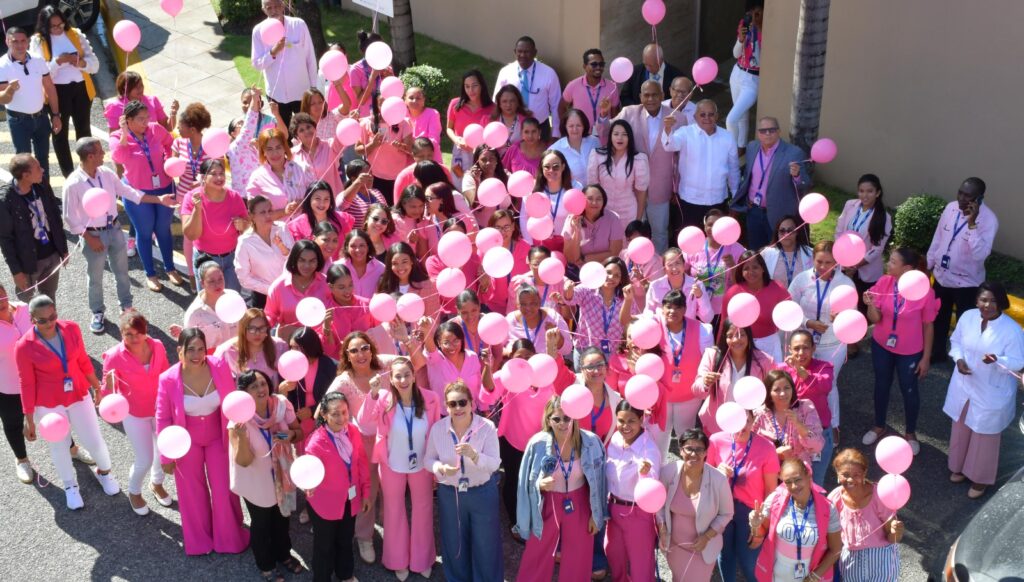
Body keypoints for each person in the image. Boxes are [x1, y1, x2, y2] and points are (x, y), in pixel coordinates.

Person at [328, 331, 426, 562]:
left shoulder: (385, 364)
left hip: (393, 437)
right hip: (363, 444)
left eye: (364, 348)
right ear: (347, 355)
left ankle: (393, 535)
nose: (361, 353)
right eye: (354, 350)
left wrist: (407, 338)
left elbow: (419, 362)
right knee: (368, 490)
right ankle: (364, 537)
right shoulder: (344, 380)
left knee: (393, 489)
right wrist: (342, 428)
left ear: (371, 349)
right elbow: (323, 410)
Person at [16, 295, 119, 509]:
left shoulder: (71, 328)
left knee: (94, 440)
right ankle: (70, 486)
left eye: (52, 316)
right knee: (59, 446)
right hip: (49, 403)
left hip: (77, 393)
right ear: (32, 319)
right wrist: (29, 420)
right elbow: (26, 383)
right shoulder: (24, 346)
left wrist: (98, 388)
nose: (49, 323)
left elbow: (82, 360)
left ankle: (105, 473)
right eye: (42, 320)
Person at [64, 138, 174, 332]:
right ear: (90, 156)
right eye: (99, 152)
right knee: (95, 277)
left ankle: (126, 306)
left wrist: (158, 199)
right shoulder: (73, 184)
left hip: (114, 230)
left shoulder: (106, 174)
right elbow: (70, 217)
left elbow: (128, 192)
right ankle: (97, 312)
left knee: (122, 272)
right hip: (93, 235)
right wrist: (90, 239)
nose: (103, 154)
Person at [156, 328, 249, 555]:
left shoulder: (218, 365)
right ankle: (200, 542)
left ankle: (229, 539)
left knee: (222, 489)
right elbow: (163, 418)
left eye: (200, 349)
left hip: (218, 437)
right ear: (180, 351)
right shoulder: (167, 379)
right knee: (191, 492)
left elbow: (231, 401)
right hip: (185, 442)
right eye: (191, 350)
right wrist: (166, 456)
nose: (197, 355)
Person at [479, 331, 574, 532]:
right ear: (511, 359)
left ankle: (540, 520)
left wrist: (552, 351)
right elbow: (488, 392)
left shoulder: (546, 376)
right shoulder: (508, 375)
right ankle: (517, 523)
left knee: (542, 482)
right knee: (514, 481)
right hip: (512, 441)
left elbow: (563, 388)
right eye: (518, 357)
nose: (523, 361)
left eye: (528, 357)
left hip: (543, 442)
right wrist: (487, 366)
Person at [358, 357, 440, 579]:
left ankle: (422, 559)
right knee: (394, 511)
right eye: (398, 376)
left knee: (423, 510)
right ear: (391, 380)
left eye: (407, 374)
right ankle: (397, 559)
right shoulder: (384, 398)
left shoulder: (431, 399)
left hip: (422, 464)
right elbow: (363, 419)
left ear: (414, 375)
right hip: (392, 463)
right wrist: (372, 394)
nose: (403, 380)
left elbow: (436, 432)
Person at [943, 282, 1024, 498]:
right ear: (977, 300)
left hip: (991, 391)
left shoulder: (1012, 330)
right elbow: (956, 341)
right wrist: (958, 359)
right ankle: (958, 466)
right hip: (964, 384)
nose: (987, 305)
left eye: (993, 301)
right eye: (983, 300)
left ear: (1001, 303)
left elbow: (1018, 361)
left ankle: (980, 479)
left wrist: (998, 359)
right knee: (961, 426)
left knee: (984, 435)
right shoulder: (968, 317)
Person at [516, 394, 607, 582]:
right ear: (548, 420)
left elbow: (600, 482)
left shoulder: (591, 441)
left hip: (580, 502)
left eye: (567, 418)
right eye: (556, 418)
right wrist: (539, 485)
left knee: (579, 556)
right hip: (547, 502)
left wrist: (595, 515)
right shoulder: (537, 443)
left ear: (575, 417)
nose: (562, 423)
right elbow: (523, 482)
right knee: (537, 552)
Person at [228, 370, 305, 581]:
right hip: (255, 482)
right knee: (261, 525)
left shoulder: (280, 405)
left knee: (282, 519)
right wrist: (242, 437)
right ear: (244, 393)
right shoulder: (238, 420)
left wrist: (289, 435)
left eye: (262, 383)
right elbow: (243, 461)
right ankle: (266, 564)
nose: (261, 389)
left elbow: (299, 433)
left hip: (281, 476)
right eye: (253, 387)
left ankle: (283, 554)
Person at [424, 380, 504, 581]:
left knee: (486, 544)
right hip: (450, 493)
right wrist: (439, 468)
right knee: (455, 543)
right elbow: (428, 459)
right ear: (446, 406)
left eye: (462, 402)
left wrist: (475, 456)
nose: (458, 408)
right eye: (452, 404)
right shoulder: (438, 429)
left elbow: (495, 464)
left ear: (471, 404)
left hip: (482, 492)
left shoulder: (487, 427)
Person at [862, 247, 938, 454]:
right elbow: (875, 319)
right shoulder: (884, 282)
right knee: (881, 385)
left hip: (910, 351)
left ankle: (910, 433)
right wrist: (870, 304)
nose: (888, 264)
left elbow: (928, 325)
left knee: (909, 390)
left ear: (908, 268)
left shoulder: (925, 291)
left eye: (893, 262)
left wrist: (926, 358)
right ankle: (879, 426)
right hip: (881, 345)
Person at [100, 311, 172, 515]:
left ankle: (156, 483)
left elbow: (166, 375)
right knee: (145, 459)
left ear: (145, 330)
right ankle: (134, 491)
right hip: (135, 413)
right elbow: (106, 392)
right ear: (121, 334)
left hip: (159, 409)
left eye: (137, 333)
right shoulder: (113, 356)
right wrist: (109, 385)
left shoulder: (157, 345)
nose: (134, 338)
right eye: (128, 334)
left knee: (163, 450)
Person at [110, 100, 184, 291]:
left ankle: (170, 268)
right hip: (138, 193)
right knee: (144, 232)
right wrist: (125, 135)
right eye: (140, 119)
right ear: (128, 121)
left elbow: (170, 144)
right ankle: (150, 274)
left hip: (165, 186)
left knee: (163, 229)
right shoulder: (117, 137)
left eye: (147, 118)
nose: (146, 122)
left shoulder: (155, 129)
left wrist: (169, 161)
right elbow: (119, 157)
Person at [926, 177, 998, 363]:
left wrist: (972, 224)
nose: (961, 198)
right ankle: (937, 352)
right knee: (939, 318)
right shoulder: (950, 208)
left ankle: (962, 359)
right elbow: (938, 237)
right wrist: (929, 264)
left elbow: (980, 255)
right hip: (942, 277)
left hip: (967, 283)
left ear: (979, 198)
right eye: (960, 192)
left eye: (968, 196)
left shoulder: (989, 220)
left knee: (965, 324)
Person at [304, 391, 372, 582]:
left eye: (344, 412)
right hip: (325, 504)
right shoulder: (315, 442)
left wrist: (366, 492)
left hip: (350, 499)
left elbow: (361, 464)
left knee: (345, 540)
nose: (341, 418)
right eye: (335, 414)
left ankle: (345, 574)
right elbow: (308, 471)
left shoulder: (353, 431)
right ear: (324, 415)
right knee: (324, 546)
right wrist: (308, 486)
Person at [603, 80, 676, 252]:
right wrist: (603, 115)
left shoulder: (677, 117)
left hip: (661, 187)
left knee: (660, 233)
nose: (650, 98)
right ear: (640, 96)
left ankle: (658, 269)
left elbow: (680, 158)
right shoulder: (629, 112)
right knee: (633, 232)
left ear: (662, 95)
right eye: (646, 95)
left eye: (655, 94)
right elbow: (608, 133)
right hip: (632, 189)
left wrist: (676, 187)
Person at [787, 241, 855, 425]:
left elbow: (853, 317)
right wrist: (807, 322)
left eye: (829, 262)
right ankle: (798, 422)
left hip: (832, 344)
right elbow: (788, 309)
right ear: (813, 259)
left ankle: (832, 425)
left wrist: (841, 318)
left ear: (837, 262)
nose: (823, 267)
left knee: (827, 386)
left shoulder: (846, 283)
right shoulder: (801, 279)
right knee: (800, 381)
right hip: (803, 344)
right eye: (819, 262)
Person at [707, 413, 779, 582]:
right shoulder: (716, 441)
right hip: (722, 508)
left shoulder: (766, 447)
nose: (742, 426)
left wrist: (762, 526)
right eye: (737, 421)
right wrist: (717, 473)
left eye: (747, 421)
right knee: (725, 556)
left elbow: (771, 491)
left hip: (751, 513)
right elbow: (704, 478)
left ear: (753, 420)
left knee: (749, 562)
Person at [658, 428, 735, 582]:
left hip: (703, 549)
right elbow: (659, 504)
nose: (693, 454)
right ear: (680, 450)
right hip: (675, 547)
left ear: (706, 452)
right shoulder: (668, 472)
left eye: (699, 449)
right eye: (689, 449)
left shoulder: (718, 479)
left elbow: (727, 513)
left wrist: (707, 537)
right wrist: (662, 528)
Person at [29, 6, 98, 178]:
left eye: (61, 24)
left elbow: (94, 64)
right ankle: (70, 176)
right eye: (54, 26)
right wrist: (57, 62)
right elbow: (39, 73)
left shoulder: (75, 34)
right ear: (45, 26)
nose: (59, 29)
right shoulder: (38, 41)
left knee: (84, 131)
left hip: (81, 89)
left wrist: (80, 62)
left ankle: (89, 172)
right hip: (57, 93)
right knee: (60, 134)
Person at [748, 458, 842, 582]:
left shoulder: (828, 508)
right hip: (776, 576)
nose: (794, 486)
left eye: (798, 479)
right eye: (788, 482)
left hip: (810, 576)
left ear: (808, 476)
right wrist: (754, 526)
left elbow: (836, 549)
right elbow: (756, 541)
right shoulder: (774, 500)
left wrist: (814, 577)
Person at [731, 117, 810, 249]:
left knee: (778, 253)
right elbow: (747, 176)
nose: (767, 133)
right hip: (754, 211)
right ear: (758, 133)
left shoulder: (793, 153)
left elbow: (805, 184)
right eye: (763, 130)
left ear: (778, 131)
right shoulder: (752, 147)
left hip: (779, 214)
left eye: (771, 130)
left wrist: (797, 175)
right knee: (756, 252)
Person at [605, 400, 662, 582]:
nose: (625, 426)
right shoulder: (614, 439)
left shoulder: (649, 449)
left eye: (631, 421)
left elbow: (654, 485)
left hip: (638, 513)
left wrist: (646, 474)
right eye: (621, 421)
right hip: (613, 509)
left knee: (641, 566)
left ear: (641, 420)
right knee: (614, 555)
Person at [662, 100, 740, 231]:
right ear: (695, 116)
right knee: (690, 242)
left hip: (718, 200)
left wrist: (735, 197)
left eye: (711, 114)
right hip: (690, 200)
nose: (707, 118)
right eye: (702, 114)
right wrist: (668, 129)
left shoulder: (727, 137)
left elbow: (734, 169)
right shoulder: (685, 133)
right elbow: (669, 145)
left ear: (717, 116)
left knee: (716, 240)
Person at [827, 449, 904, 581]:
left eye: (856, 474)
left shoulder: (879, 495)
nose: (850, 479)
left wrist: (897, 531)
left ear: (864, 473)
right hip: (850, 559)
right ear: (837, 475)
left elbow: (893, 539)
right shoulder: (834, 498)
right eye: (845, 474)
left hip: (881, 558)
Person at [0, 154, 68, 302]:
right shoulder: (6, 200)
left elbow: (55, 216)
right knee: (26, 304)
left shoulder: (42, 184)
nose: (42, 170)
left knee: (49, 299)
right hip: (28, 263)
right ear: (25, 175)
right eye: (37, 168)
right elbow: (5, 240)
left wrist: (63, 248)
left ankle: (49, 324)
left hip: (52, 255)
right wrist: (16, 272)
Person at [654, 289, 715, 453]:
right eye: (668, 307)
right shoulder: (653, 327)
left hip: (688, 396)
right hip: (662, 396)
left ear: (685, 309)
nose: (672, 311)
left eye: (677, 307)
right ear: (663, 308)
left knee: (685, 438)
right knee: (659, 439)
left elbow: (708, 362)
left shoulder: (702, 330)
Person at [0, 27, 61, 179]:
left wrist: (55, 115)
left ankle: (45, 196)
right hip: (19, 121)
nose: (20, 45)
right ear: (7, 42)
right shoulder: (2, 65)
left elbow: (50, 88)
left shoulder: (38, 60)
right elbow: (3, 99)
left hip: (41, 117)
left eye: (23, 41)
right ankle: (27, 200)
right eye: (15, 41)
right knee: (23, 164)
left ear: (27, 42)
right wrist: (10, 90)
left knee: (43, 159)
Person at [693, 319, 774, 434]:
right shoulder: (712, 355)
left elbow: (772, 391)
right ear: (724, 338)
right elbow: (697, 391)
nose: (736, 339)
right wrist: (705, 383)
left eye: (742, 334)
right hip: (717, 423)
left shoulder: (764, 360)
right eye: (730, 335)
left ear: (749, 336)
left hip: (750, 424)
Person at [182, 159, 250, 292]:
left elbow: (249, 226)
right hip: (206, 260)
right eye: (214, 174)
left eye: (222, 173)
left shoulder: (234, 197)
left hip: (232, 258)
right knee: (209, 304)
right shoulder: (192, 197)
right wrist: (197, 209)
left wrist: (243, 225)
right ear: (203, 177)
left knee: (232, 297)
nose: (219, 177)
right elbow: (191, 235)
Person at [778, 331, 835, 486]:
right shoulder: (781, 369)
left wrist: (799, 369)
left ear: (814, 348)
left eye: (805, 348)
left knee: (815, 483)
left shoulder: (824, 367)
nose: (801, 353)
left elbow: (825, 387)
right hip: (790, 437)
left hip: (818, 435)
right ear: (789, 349)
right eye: (796, 348)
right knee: (791, 483)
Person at [250, 0, 317, 127]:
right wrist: (273, 52)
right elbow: (256, 64)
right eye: (269, 8)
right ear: (263, 9)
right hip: (277, 94)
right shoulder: (258, 31)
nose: (274, 10)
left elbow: (310, 58)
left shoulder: (298, 25)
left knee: (306, 128)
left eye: (277, 6)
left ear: (283, 6)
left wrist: (313, 89)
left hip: (301, 91)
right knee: (284, 135)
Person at [835, 173, 892, 311]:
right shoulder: (850, 205)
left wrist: (855, 265)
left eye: (870, 191)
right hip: (843, 265)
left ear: (878, 193)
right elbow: (839, 231)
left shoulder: (884, 217)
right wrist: (842, 259)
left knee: (860, 308)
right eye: (861, 191)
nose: (865, 195)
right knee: (842, 303)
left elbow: (877, 249)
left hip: (866, 271)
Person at [722, 251, 791, 361]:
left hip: (770, 345)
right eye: (746, 269)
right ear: (741, 271)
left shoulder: (777, 288)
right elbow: (724, 325)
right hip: (742, 347)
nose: (751, 272)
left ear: (763, 268)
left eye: (755, 267)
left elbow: (790, 313)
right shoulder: (733, 293)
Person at [279, 328, 336, 458]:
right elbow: (281, 405)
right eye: (291, 347)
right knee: (303, 458)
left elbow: (334, 397)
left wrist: (312, 410)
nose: (293, 352)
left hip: (323, 421)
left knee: (324, 456)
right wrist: (282, 391)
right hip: (299, 425)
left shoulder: (329, 366)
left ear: (309, 345)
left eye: (298, 347)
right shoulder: (288, 365)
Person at [559, 257, 629, 360]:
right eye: (608, 272)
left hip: (615, 354)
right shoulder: (587, 289)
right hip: (585, 351)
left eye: (617, 275)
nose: (611, 277)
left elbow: (629, 323)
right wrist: (568, 290)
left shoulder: (625, 297)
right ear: (600, 272)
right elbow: (570, 299)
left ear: (621, 279)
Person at [0, 284, 36, 483]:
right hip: (7, 387)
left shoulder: (23, 308)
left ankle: (71, 447)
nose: (2, 304)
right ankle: (22, 459)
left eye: (2, 297)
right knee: (13, 423)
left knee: (55, 414)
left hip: (39, 379)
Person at [753, 369, 824, 468]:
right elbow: (750, 449)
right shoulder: (759, 414)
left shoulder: (805, 407)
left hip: (798, 473)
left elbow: (818, 446)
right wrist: (774, 453)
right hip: (768, 472)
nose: (783, 393)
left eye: (787, 388)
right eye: (777, 390)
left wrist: (799, 425)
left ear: (792, 389)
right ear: (768, 392)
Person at [493, 36, 562, 139]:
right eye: (519, 51)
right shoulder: (505, 72)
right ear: (514, 52)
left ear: (535, 53)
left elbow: (556, 104)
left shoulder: (549, 73)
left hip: (540, 127)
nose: (522, 55)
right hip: (512, 128)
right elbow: (496, 101)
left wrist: (556, 131)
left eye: (527, 52)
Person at [588, 119, 649, 232]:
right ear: (610, 136)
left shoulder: (638, 159)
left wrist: (638, 220)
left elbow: (641, 193)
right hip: (603, 212)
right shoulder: (597, 155)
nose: (619, 138)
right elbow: (592, 188)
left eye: (624, 135)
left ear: (629, 137)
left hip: (628, 212)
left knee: (627, 247)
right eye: (616, 134)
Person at [685, 209, 747, 319]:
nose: (713, 228)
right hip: (695, 307)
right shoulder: (695, 244)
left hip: (724, 310)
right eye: (710, 225)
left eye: (717, 225)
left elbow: (743, 283)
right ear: (704, 227)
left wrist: (733, 266)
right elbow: (681, 274)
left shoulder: (737, 249)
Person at [235, 195, 294, 308]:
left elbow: (294, 260)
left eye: (270, 211)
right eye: (262, 212)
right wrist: (271, 289)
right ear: (252, 216)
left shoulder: (282, 228)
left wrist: (283, 248)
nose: (268, 215)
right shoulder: (245, 242)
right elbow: (244, 278)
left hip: (289, 291)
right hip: (263, 298)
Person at [265, 241, 330, 340]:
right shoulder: (278, 286)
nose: (307, 266)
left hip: (319, 344)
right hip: (287, 344)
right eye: (302, 260)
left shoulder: (326, 284)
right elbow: (269, 316)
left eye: (312, 261)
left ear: (318, 261)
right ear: (294, 260)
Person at [246, 128, 314, 220]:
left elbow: (317, 196)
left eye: (278, 147)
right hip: (276, 233)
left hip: (305, 228)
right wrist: (284, 212)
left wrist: (303, 203)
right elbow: (255, 215)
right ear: (263, 152)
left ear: (285, 148)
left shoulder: (302, 168)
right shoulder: (257, 177)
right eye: (269, 149)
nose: (275, 153)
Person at [519, 148, 581, 244]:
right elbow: (524, 218)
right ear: (541, 169)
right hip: (539, 244)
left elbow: (579, 218)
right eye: (547, 167)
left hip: (567, 243)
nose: (551, 170)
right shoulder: (531, 189)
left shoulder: (575, 188)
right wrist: (530, 245)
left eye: (556, 166)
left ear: (563, 167)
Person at [727, 2, 764, 153]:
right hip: (737, 72)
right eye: (751, 13)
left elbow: (760, 61)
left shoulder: (766, 30)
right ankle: (741, 146)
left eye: (757, 13)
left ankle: (730, 152)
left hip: (753, 79)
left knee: (731, 119)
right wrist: (741, 39)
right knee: (741, 115)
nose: (753, 17)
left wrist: (759, 29)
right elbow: (736, 54)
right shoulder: (745, 24)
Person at [478, 210, 531, 313]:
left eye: (506, 227)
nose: (502, 232)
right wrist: (484, 286)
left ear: (513, 227)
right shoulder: (484, 250)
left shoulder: (525, 247)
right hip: (492, 307)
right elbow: (480, 287)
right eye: (497, 228)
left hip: (520, 306)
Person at [213, 308, 288, 381]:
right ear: (243, 330)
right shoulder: (226, 351)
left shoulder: (280, 347)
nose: (257, 333)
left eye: (262, 328)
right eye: (252, 329)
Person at [422, 319, 484, 405]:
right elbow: (431, 350)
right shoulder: (435, 359)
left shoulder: (472, 357)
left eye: (456, 341)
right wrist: (426, 330)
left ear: (461, 340)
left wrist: (484, 409)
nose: (452, 346)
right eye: (446, 342)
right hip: (444, 416)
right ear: (439, 343)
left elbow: (479, 386)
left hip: (472, 413)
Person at [179, 260, 239, 350]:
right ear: (202, 283)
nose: (217, 284)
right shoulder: (194, 314)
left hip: (237, 354)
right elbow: (189, 346)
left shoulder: (235, 298)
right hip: (212, 360)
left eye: (220, 279)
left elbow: (245, 326)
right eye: (211, 281)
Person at [446, 70, 495, 178]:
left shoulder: (492, 108)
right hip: (460, 151)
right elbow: (449, 128)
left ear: (482, 86)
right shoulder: (455, 104)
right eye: (467, 86)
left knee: (479, 183)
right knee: (459, 183)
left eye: (474, 86)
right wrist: (456, 140)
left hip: (482, 154)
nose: (470, 90)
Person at [561, 185, 624, 268]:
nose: (594, 203)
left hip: (606, 269)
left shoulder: (613, 218)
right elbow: (570, 258)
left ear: (604, 201)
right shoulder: (572, 219)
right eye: (590, 199)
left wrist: (585, 259)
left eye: (598, 199)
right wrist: (576, 231)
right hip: (579, 271)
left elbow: (615, 252)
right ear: (582, 200)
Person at [319, 264, 373, 360]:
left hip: (366, 362)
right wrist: (326, 327)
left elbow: (379, 335)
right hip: (339, 366)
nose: (348, 291)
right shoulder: (324, 310)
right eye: (341, 287)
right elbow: (328, 351)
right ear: (330, 287)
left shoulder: (366, 305)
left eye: (350, 285)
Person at [643, 247, 711, 321]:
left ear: (684, 265)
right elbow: (648, 313)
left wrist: (700, 297)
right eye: (670, 265)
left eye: (677, 263)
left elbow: (707, 318)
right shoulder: (655, 286)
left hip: (688, 330)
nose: (674, 268)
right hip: (662, 330)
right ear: (664, 268)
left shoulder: (697, 285)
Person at [505, 284, 573, 357]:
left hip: (548, 366)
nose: (528, 308)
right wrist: (510, 353)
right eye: (523, 304)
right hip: (520, 367)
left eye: (533, 303)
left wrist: (557, 338)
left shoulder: (552, 317)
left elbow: (567, 350)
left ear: (539, 302)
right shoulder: (510, 320)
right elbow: (498, 349)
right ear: (517, 304)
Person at [559, 48, 619, 127]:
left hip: (604, 135)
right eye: (594, 64)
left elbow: (615, 114)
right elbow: (561, 107)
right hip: (581, 136)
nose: (598, 67)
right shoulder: (573, 86)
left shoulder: (612, 87)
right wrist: (566, 127)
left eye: (601, 64)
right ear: (584, 66)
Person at [286, 180, 354, 247]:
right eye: (317, 199)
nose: (322, 203)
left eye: (326, 199)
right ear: (309, 199)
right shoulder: (296, 225)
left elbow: (349, 245)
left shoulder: (342, 218)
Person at [290, 113, 344, 197]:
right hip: (310, 205)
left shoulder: (330, 145)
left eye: (308, 127)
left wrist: (351, 119)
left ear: (315, 128)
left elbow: (344, 134)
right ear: (297, 136)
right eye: (301, 130)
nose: (306, 131)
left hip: (334, 200)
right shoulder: (292, 155)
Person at [104, 70, 176, 133]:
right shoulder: (115, 106)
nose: (140, 89)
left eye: (141, 85)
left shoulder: (153, 100)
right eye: (135, 87)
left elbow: (168, 128)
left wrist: (173, 113)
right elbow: (113, 137)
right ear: (124, 88)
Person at [550, 108, 600, 189]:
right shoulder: (555, 150)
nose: (575, 129)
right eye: (571, 126)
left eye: (578, 125)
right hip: (572, 197)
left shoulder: (594, 142)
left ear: (584, 126)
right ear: (565, 127)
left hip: (595, 196)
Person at [462, 145, 510, 226]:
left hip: (504, 229)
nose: (488, 162)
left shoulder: (505, 176)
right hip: (482, 229)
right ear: (477, 161)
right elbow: (476, 207)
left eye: (491, 159)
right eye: (483, 160)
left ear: (497, 160)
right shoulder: (470, 178)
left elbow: (517, 201)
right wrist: (477, 182)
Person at [760, 216, 813, 289]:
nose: (786, 234)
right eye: (782, 231)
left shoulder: (811, 254)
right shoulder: (766, 254)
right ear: (777, 233)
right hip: (776, 299)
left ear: (797, 232)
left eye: (790, 230)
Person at [337, 159, 389, 227]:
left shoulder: (377, 192)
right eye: (366, 176)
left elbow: (388, 213)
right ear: (354, 179)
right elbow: (341, 204)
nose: (370, 178)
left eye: (371, 174)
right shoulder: (350, 197)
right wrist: (358, 182)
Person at [339, 229, 385, 299]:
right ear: (346, 247)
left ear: (368, 247)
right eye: (353, 246)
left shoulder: (381, 269)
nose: (358, 250)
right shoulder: (338, 268)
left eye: (362, 245)